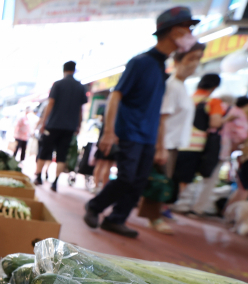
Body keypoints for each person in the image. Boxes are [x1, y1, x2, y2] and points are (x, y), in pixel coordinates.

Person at [84, 7, 199, 238]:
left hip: (147, 136)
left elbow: (157, 112)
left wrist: (159, 145)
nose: (190, 34)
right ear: (173, 32)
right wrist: (108, 132)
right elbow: (117, 95)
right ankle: (95, 206)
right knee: (126, 177)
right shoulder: (141, 62)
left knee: (138, 182)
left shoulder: (161, 68)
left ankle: (117, 219)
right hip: (129, 132)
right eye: (186, 29)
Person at [137, 42, 206, 234]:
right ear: (177, 60)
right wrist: (160, 147)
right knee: (159, 180)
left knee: (162, 180)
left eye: (198, 59)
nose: (194, 64)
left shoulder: (182, 87)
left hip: (174, 143)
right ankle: (153, 217)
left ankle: (155, 214)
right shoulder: (171, 86)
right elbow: (161, 118)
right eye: (191, 58)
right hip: (165, 142)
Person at [172, 74, 227, 216]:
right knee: (186, 177)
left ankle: (167, 202)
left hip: (178, 141)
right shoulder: (212, 102)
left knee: (173, 173)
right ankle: (179, 204)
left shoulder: (190, 98)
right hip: (195, 144)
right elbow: (215, 123)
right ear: (215, 87)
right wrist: (227, 119)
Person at [35, 61, 88, 192]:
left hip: (53, 125)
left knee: (45, 150)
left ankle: (38, 176)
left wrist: (43, 122)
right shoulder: (80, 87)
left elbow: (50, 103)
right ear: (74, 70)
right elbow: (81, 110)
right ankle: (55, 182)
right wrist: (79, 125)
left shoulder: (58, 84)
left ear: (64, 70)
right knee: (62, 154)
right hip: (69, 127)